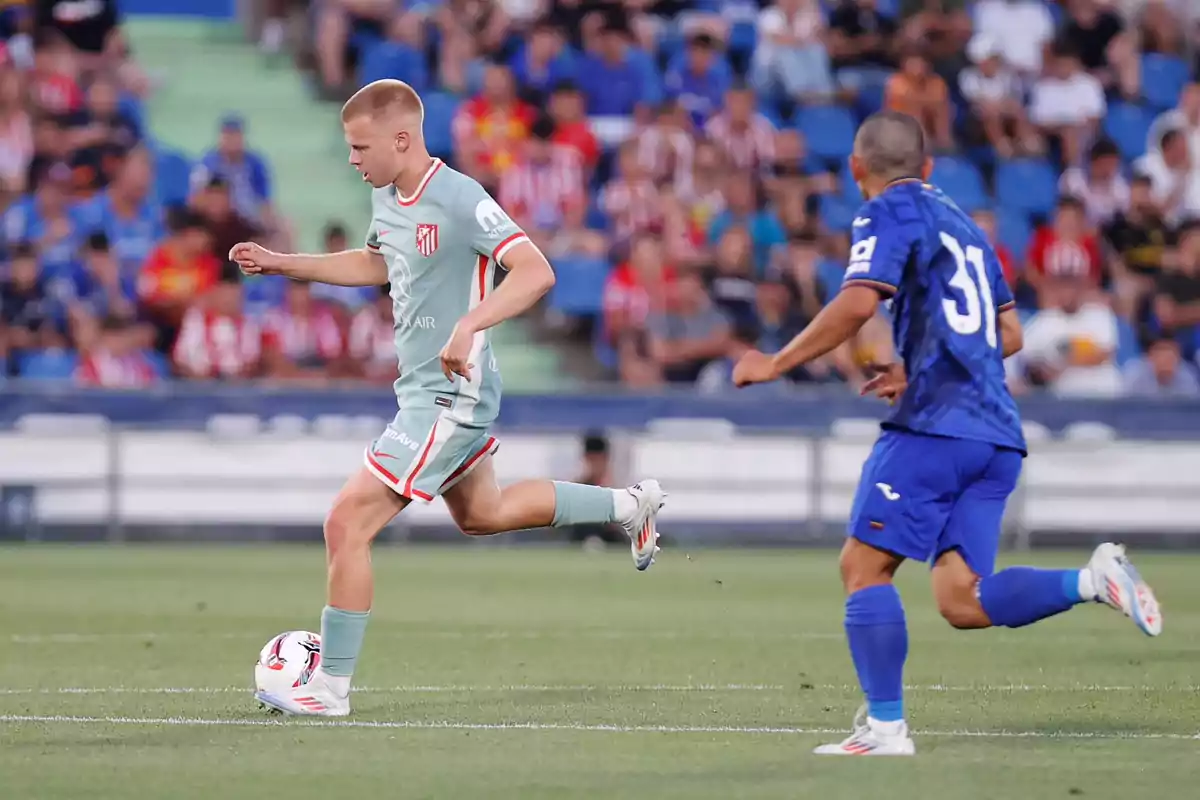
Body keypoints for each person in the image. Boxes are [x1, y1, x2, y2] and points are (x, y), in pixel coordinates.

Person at [229, 79, 666, 718]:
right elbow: (378, 265)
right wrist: (282, 261)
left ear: (401, 139)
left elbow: (537, 271)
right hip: (422, 392)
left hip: (448, 396)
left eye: (359, 147)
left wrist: (471, 324)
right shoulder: (387, 197)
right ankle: (630, 505)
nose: (352, 160)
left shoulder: (460, 197)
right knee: (482, 512)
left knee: (345, 521)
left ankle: (330, 688)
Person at [732, 111, 1162, 757]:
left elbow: (857, 300)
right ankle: (1092, 580)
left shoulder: (885, 209)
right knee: (962, 599)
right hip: (996, 437)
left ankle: (884, 730)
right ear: (929, 168)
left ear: (857, 170)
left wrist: (775, 362)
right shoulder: (967, 226)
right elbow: (1008, 334)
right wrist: (919, 362)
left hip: (936, 428)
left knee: (863, 568)